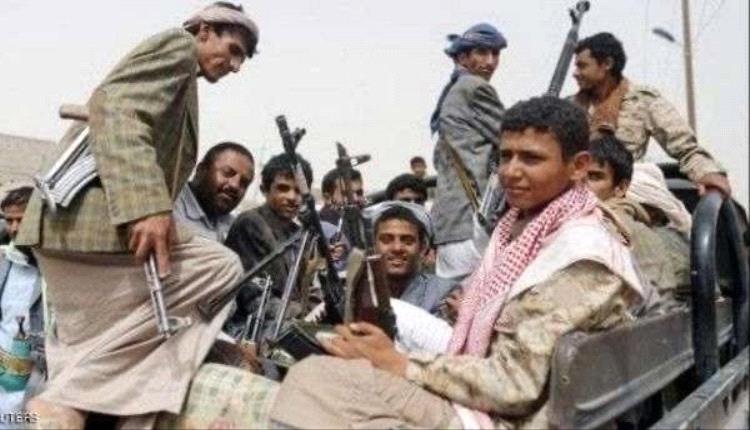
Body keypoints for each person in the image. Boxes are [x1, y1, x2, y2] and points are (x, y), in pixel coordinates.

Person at [159, 97, 654, 430]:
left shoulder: (581, 254)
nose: (511, 172)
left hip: (506, 417)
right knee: (322, 369)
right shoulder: (531, 227)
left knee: (319, 381)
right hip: (496, 399)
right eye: (505, 156)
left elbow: (515, 386)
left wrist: (400, 364)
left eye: (531, 158)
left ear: (578, 166)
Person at [15, 3, 258, 427]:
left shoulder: (186, 80)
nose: (235, 66)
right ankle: (67, 396)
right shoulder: (178, 47)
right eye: (233, 50)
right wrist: (147, 206)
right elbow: (116, 107)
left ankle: (70, 408)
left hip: (71, 231)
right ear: (203, 31)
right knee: (221, 268)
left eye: (243, 59)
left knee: (111, 338)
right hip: (83, 222)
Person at [572, 32, 730, 196]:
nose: (575, 73)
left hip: (622, 195)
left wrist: (707, 173)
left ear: (607, 64)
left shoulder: (641, 101)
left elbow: (685, 147)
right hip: (572, 193)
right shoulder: (570, 108)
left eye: (582, 66)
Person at [429, 23, 507, 282]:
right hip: (470, 222)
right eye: (482, 53)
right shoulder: (474, 87)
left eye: (495, 54)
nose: (491, 62)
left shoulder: (453, 91)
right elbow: (514, 138)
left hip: (451, 225)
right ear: (462, 57)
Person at [223, 153, 314, 339]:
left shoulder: (299, 233)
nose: (292, 197)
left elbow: (307, 288)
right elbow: (252, 297)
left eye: (298, 191)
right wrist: (302, 315)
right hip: (248, 328)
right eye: (283, 188)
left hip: (288, 322)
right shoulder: (251, 223)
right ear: (265, 189)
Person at [588, 136, 690, 299]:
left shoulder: (625, 231)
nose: (583, 185)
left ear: (620, 188)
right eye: (577, 175)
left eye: (595, 177)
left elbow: (656, 303)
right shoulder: (576, 223)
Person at [0, 187, 45, 423]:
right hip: (5, 369)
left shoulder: (54, 268)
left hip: (37, 377)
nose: (15, 228)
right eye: (10, 221)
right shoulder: (6, 261)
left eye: (21, 220)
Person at [368, 202, 455, 315]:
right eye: (387, 240)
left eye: (407, 241)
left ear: (422, 248)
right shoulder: (360, 293)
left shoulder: (443, 292)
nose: (397, 248)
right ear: (374, 246)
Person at [173, 141, 254, 242]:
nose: (235, 185)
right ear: (201, 170)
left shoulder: (235, 229)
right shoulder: (169, 208)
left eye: (244, 182)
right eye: (227, 173)